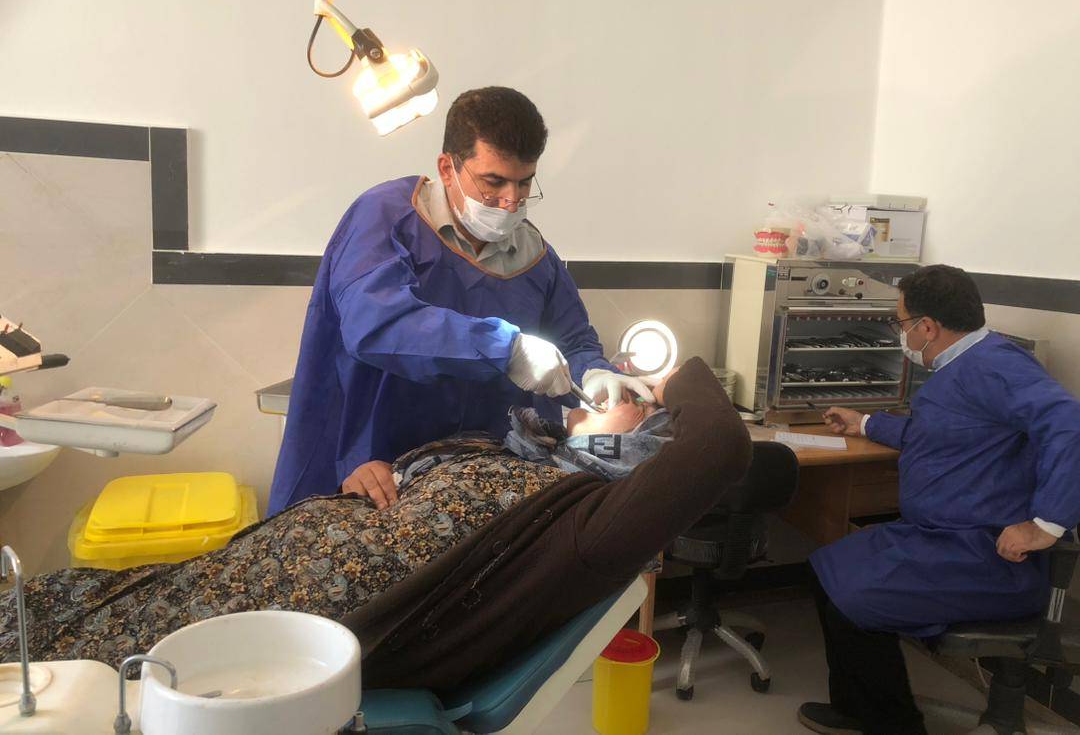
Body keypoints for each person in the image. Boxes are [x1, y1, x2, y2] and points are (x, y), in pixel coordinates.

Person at [0, 359, 749, 692]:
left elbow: (721, 445)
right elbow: (421, 491)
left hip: (294, 626)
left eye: (631, 400)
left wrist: (670, 374)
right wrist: (377, 473)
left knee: (63, 673)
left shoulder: (586, 518)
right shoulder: (521, 452)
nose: (610, 391)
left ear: (641, 448)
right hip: (244, 569)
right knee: (58, 605)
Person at [268, 86, 652, 515]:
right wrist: (505, 348)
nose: (511, 200)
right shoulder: (386, 219)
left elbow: (573, 341)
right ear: (447, 168)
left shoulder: (535, 258)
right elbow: (378, 325)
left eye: (524, 182)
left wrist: (593, 371)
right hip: (372, 467)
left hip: (477, 486)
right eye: (494, 182)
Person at [798, 265, 1080, 735]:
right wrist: (865, 423)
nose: (901, 334)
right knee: (824, 569)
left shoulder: (995, 364)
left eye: (900, 322)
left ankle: (895, 725)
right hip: (939, 538)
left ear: (926, 326)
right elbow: (940, 433)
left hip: (986, 555)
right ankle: (857, 709)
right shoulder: (962, 366)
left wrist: (1046, 524)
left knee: (855, 600)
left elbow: (1070, 423)